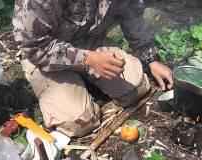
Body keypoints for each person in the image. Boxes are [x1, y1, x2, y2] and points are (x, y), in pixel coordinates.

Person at [13, 0, 173, 137]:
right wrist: (87, 59)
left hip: (87, 40)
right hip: (46, 51)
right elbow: (35, 47)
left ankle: (84, 81)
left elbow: (130, 10)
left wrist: (151, 58)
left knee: (136, 88)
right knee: (79, 123)